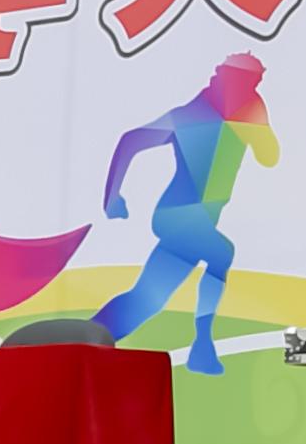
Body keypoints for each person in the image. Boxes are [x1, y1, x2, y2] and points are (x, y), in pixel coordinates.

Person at [92, 53, 282, 372]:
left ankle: (82, 339)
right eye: (250, 81)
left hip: (198, 223)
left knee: (146, 301)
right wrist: (112, 196)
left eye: (257, 81)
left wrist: (257, 121)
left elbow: (269, 157)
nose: (255, 87)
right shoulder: (191, 115)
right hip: (177, 216)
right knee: (222, 253)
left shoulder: (244, 115)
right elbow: (131, 140)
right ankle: (202, 346)